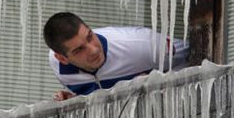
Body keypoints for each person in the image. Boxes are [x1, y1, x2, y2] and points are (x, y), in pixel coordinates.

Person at [43, 12, 190, 101]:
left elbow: (195, 55)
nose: (93, 50)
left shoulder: (143, 45)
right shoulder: (58, 66)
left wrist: (159, 80)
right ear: (62, 58)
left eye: (89, 36)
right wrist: (77, 100)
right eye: (79, 50)